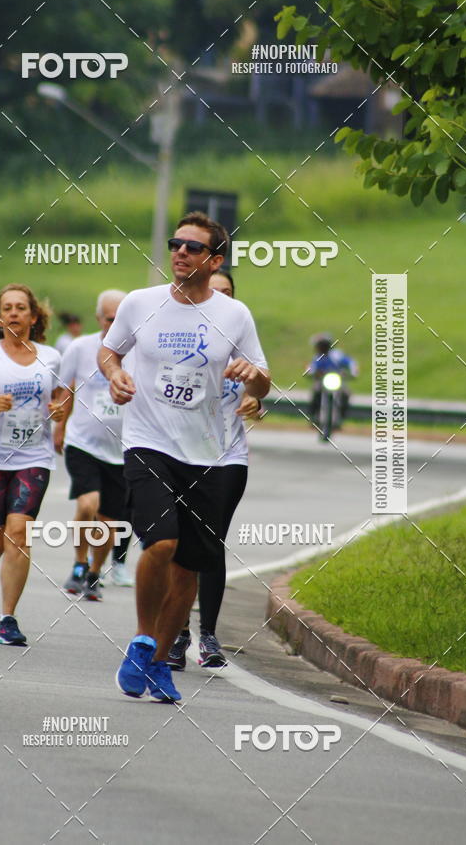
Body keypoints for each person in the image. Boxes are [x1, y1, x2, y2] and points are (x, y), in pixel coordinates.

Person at [98, 211, 270, 703]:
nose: (180, 252)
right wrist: (114, 374)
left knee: (190, 563)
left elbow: (262, 378)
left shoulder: (233, 315)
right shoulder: (139, 303)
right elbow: (109, 352)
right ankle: (143, 639)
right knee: (161, 544)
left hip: (210, 453)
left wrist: (250, 375)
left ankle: (158, 665)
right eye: (176, 244)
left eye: (193, 248)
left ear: (214, 259)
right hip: (149, 441)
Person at [167, 269, 262, 671]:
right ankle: (175, 632)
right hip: (178, 454)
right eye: (213, 291)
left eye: (226, 292)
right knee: (176, 544)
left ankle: (207, 634)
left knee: (210, 540)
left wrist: (255, 401)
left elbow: (259, 390)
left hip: (227, 456)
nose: (218, 298)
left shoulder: (241, 337)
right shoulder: (178, 339)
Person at [0, 284, 65, 645]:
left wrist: (60, 410)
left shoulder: (51, 357)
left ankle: (8, 618)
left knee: (18, 535)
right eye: (8, 308)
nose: (15, 313)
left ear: (34, 317)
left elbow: (60, 398)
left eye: (22, 308)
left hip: (33, 458)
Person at [54, 289, 134, 600]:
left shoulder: (139, 351)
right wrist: (59, 427)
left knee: (109, 520)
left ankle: (93, 573)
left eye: (120, 319)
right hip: (83, 441)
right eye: (109, 319)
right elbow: (65, 390)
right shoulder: (79, 347)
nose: (114, 325)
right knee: (88, 504)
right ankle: (78, 563)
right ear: (99, 318)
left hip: (122, 449)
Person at [306, 332, 358, 426]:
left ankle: (342, 416)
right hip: (322, 381)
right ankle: (313, 416)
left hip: (337, 381)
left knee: (345, 393)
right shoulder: (317, 357)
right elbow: (311, 367)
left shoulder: (336, 355)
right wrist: (311, 372)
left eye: (324, 345)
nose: (322, 348)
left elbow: (350, 362)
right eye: (320, 345)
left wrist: (353, 372)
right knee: (316, 391)